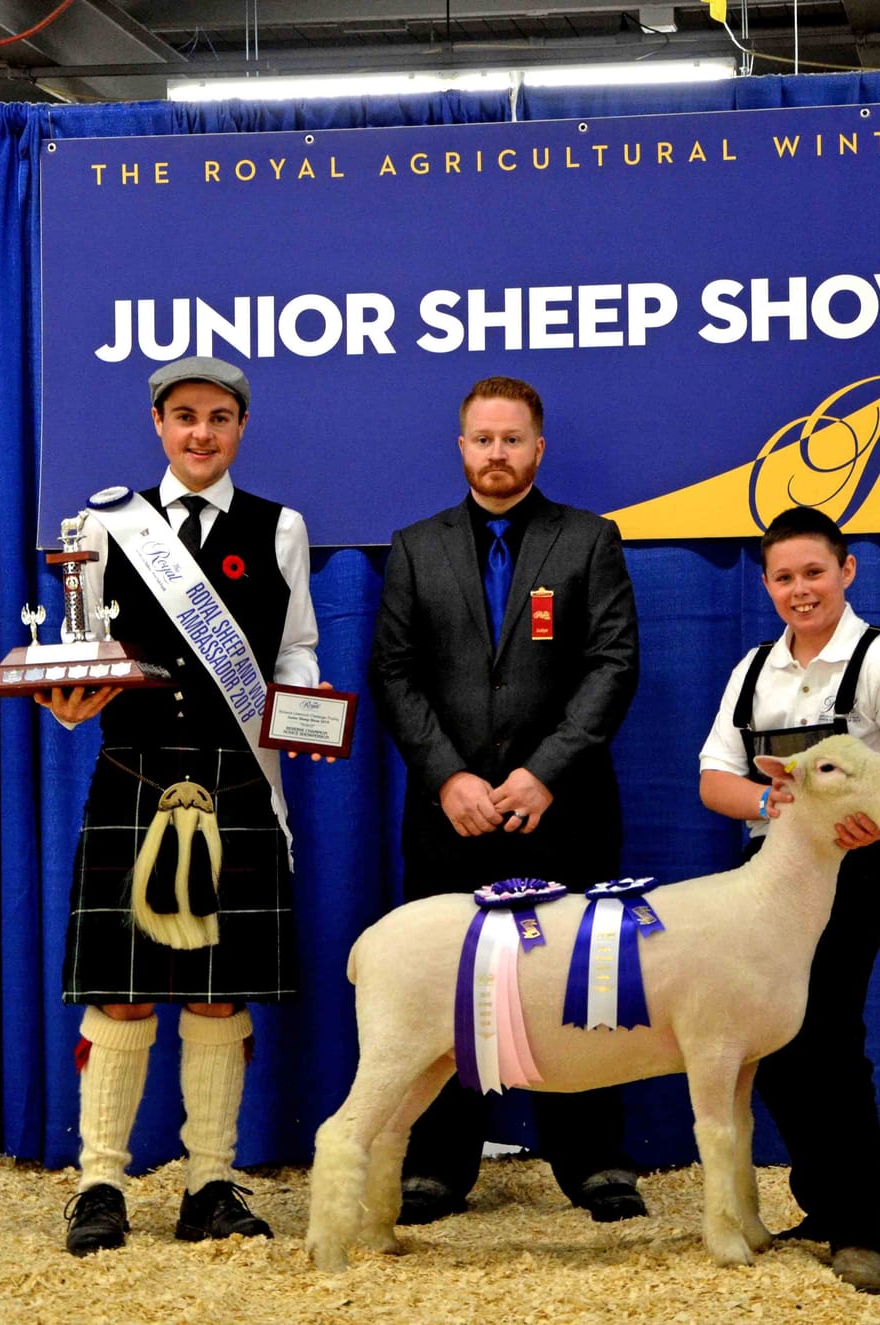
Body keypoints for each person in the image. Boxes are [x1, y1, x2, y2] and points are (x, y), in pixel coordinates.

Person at [39, 355, 325, 1256]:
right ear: (158, 424)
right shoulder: (104, 523)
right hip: (134, 771)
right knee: (121, 995)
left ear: (241, 427)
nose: (202, 433)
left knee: (215, 993)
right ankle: (100, 1183)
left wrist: (306, 711)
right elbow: (83, 651)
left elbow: (297, 654)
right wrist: (69, 698)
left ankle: (210, 1180)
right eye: (184, 416)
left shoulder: (278, 528)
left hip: (236, 776)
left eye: (220, 417)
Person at [367, 375, 644, 1224]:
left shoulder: (589, 540)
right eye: (482, 439)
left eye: (512, 439)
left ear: (538, 447)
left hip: (562, 811)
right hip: (451, 815)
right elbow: (395, 674)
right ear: (462, 447)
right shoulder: (415, 547)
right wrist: (449, 775)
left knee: (581, 986)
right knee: (447, 987)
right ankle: (439, 1166)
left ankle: (595, 1161)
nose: (497, 453)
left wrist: (544, 772)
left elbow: (613, 664)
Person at [696, 505, 880, 1295]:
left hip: (850, 877)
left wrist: (861, 826)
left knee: (832, 1039)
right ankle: (819, 1199)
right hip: (761, 889)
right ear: (767, 584)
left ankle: (859, 1229)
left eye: (814, 572)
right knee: (770, 1044)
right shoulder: (753, 672)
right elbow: (714, 780)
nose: (799, 589)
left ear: (846, 571)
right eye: (784, 577)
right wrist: (775, 805)